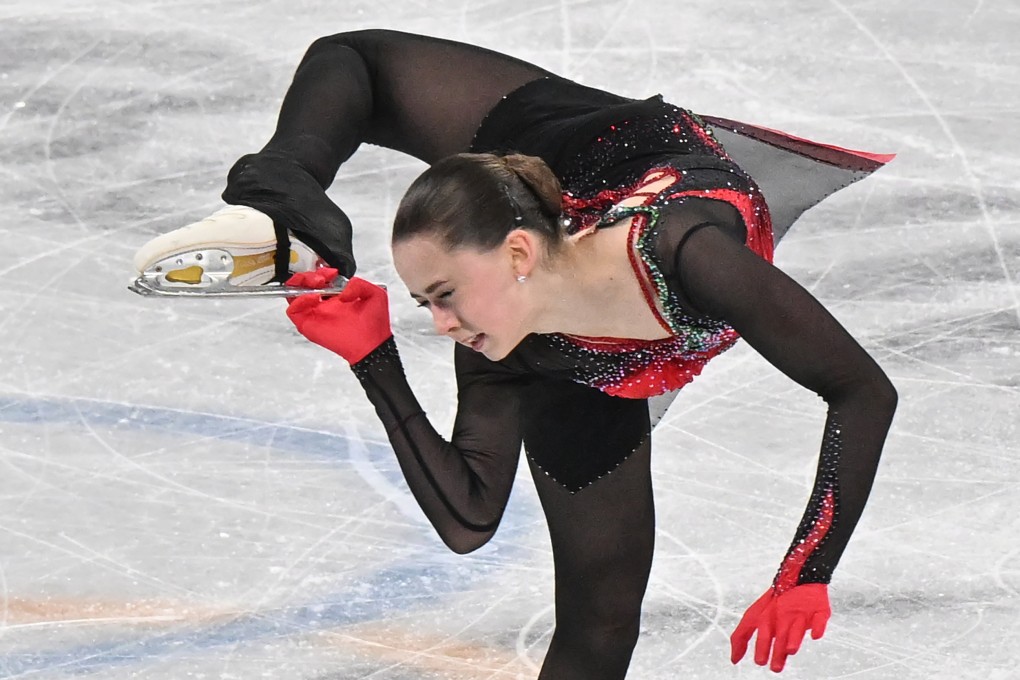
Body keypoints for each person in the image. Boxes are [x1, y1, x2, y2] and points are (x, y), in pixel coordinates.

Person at [133, 29, 898, 678]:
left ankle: (285, 197)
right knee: (598, 620)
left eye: (444, 293)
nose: (440, 325)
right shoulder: (511, 347)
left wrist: (807, 571)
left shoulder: (690, 254)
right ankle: (280, 204)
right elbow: (468, 517)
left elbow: (860, 388)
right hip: (575, 342)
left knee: (357, 65)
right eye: (425, 303)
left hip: (595, 152)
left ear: (519, 253)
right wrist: (372, 358)